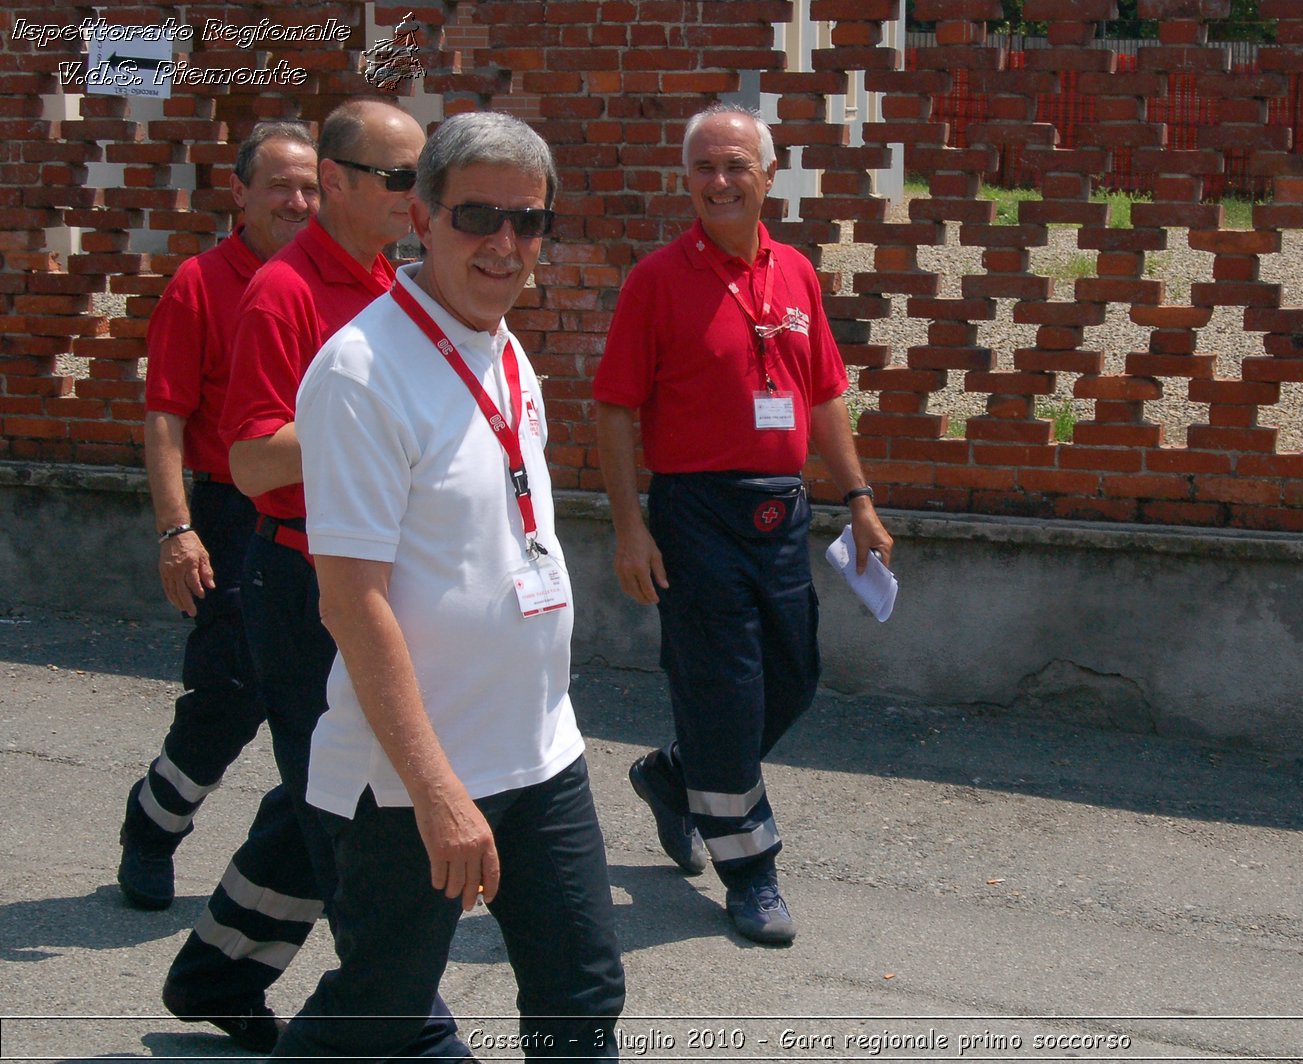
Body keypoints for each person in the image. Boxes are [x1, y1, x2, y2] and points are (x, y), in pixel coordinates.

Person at [275, 110, 624, 1060]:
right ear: (420, 218)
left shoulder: (508, 351)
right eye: (478, 217)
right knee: (379, 1016)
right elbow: (351, 601)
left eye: (529, 221)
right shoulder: (361, 372)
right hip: (407, 782)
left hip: (540, 755)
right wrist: (438, 792)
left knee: (584, 993)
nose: (505, 245)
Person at [158, 98, 469, 1057]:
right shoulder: (282, 293)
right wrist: (382, 428)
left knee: (320, 789)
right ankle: (411, 1029)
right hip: (302, 583)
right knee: (354, 813)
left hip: (379, 569)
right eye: (398, 179)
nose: (416, 197)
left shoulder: (390, 278)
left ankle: (218, 966)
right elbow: (250, 461)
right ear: (335, 183)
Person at [593, 103, 893, 946]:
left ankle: (678, 774)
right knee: (724, 695)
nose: (719, 183)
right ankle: (752, 871)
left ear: (769, 175)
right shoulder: (656, 279)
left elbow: (823, 393)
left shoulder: (795, 272)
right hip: (695, 516)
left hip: (781, 514)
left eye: (735, 167)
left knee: (792, 678)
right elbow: (615, 410)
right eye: (703, 168)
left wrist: (858, 499)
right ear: (686, 180)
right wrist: (628, 527)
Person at [119, 121, 319, 917]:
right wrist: (176, 531)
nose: (298, 201)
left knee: (329, 705)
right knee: (229, 695)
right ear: (239, 192)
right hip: (233, 514)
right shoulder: (200, 284)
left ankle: (307, 876)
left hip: (329, 509)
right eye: (280, 186)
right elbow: (164, 415)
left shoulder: (343, 279)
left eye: (310, 185)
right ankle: (155, 822)